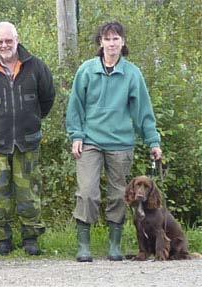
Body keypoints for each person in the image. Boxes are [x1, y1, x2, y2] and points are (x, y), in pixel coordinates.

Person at [66, 21, 162, 262]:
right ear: (100, 42)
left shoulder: (132, 74)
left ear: (123, 42)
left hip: (121, 143)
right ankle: (84, 246)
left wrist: (153, 141)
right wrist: (76, 135)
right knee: (87, 191)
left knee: (119, 193)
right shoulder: (87, 70)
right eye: (107, 39)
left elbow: (143, 112)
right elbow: (75, 106)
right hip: (90, 141)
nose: (111, 43)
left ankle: (114, 245)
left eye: (116, 38)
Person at [0, 22, 55, 256]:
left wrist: (31, 120)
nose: (4, 45)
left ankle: (31, 239)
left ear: (17, 39)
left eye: (8, 40)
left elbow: (47, 100)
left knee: (29, 193)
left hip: (27, 142)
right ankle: (1, 240)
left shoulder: (36, 66)